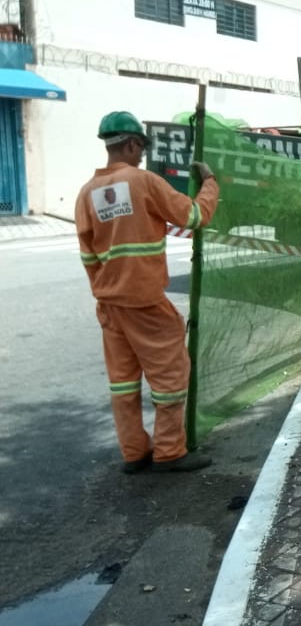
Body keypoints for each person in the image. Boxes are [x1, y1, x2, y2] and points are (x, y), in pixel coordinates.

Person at [75, 111, 220, 474]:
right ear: (131, 143)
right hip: (145, 302)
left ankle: (134, 452)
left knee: (123, 383)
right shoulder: (143, 182)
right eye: (140, 147)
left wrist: (106, 289)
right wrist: (210, 183)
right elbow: (192, 217)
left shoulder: (87, 194)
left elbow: (88, 256)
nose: (141, 155)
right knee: (170, 377)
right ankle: (170, 451)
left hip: (110, 304)